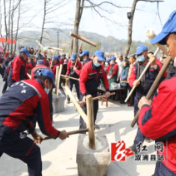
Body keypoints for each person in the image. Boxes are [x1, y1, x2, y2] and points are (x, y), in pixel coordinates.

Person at [0, 68, 68, 176]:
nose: (50, 90)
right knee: (34, 154)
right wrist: (60, 134)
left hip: (4, 123)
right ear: (46, 82)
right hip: (7, 129)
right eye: (51, 86)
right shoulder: (41, 94)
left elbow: (24, 114)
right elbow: (46, 128)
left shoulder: (21, 83)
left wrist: (34, 134)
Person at [138, 10, 176, 176]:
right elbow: (132, 78)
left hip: (171, 164)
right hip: (142, 94)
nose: (169, 50)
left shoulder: (170, 86)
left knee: (144, 124)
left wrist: (146, 107)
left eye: (168, 44)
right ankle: (138, 144)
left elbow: (150, 125)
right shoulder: (136, 66)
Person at [129, 44, 161, 153]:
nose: (138, 56)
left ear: (146, 53)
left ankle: (136, 145)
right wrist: (133, 82)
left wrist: (155, 65)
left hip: (150, 97)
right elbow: (131, 78)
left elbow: (163, 74)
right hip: (138, 96)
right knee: (138, 119)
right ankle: (145, 132)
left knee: (144, 119)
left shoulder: (154, 62)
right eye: (137, 54)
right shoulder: (135, 66)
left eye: (140, 54)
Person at [79, 50, 110, 130]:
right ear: (94, 57)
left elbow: (105, 79)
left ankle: (92, 125)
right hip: (85, 91)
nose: (99, 62)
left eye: (101, 61)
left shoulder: (101, 68)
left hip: (94, 91)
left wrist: (107, 90)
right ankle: (82, 129)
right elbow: (81, 82)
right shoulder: (87, 67)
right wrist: (84, 95)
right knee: (84, 111)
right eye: (98, 60)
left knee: (95, 109)